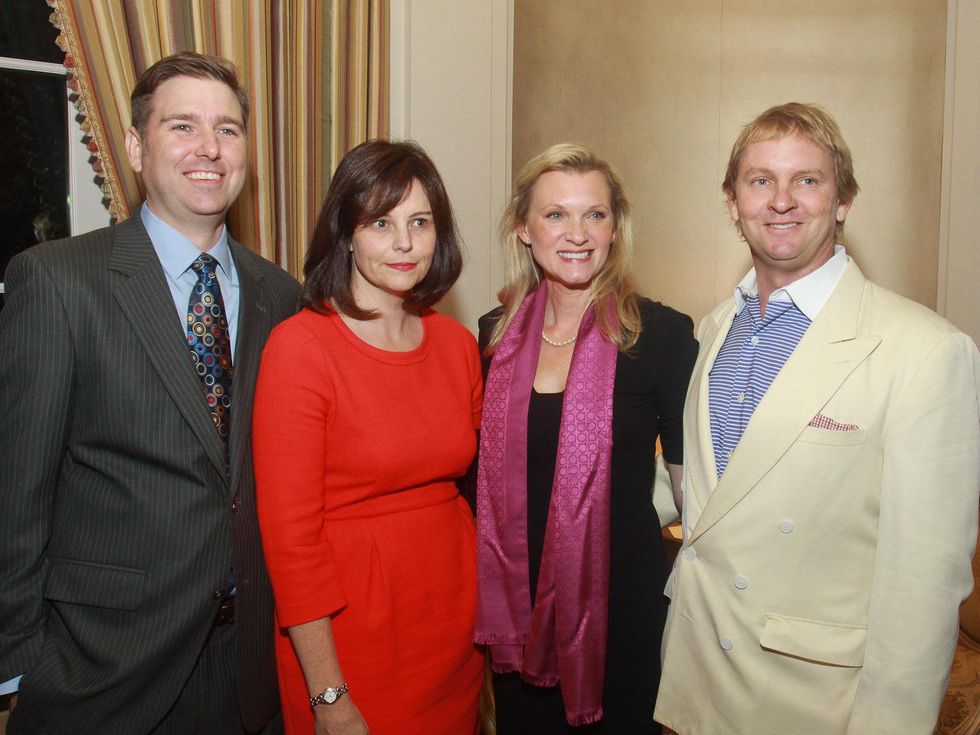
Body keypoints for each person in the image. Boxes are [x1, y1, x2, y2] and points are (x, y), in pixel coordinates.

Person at [655, 102, 980, 734]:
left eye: (806, 179)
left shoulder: (925, 351)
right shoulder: (713, 329)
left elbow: (925, 584)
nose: (781, 200)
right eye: (760, 180)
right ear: (732, 203)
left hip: (812, 703)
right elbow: (710, 495)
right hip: (695, 683)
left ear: (843, 200)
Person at [0, 52, 299, 734]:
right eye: (182, 126)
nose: (208, 148)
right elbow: (15, 493)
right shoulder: (58, 282)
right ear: (136, 147)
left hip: (247, 669)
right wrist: (18, 667)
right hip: (101, 671)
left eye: (227, 129)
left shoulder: (281, 295)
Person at [252, 140, 484, 735]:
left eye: (420, 222)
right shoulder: (301, 348)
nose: (405, 242)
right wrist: (329, 696)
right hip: (350, 643)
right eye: (381, 222)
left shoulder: (458, 345)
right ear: (347, 234)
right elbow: (291, 544)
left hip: (453, 631)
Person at [474, 143, 698, 732]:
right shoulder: (493, 338)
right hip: (516, 613)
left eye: (594, 214)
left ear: (615, 228)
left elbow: (693, 495)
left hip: (619, 614)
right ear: (524, 228)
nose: (577, 234)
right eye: (556, 215)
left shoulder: (662, 336)